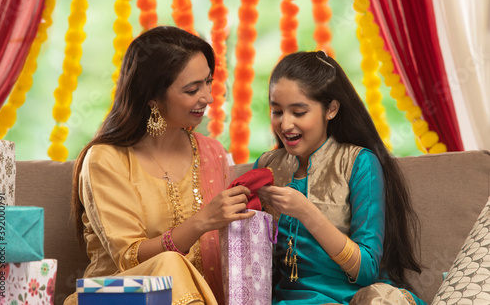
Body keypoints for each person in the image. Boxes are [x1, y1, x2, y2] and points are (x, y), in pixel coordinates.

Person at [64, 26, 255, 305]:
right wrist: (202, 222)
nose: (208, 97)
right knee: (169, 264)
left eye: (208, 82)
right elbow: (129, 258)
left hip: (199, 297)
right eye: (192, 89)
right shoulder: (106, 159)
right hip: (114, 297)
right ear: (153, 98)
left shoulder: (212, 153)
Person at [254, 50, 427, 305]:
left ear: (331, 109)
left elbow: (366, 270)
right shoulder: (267, 167)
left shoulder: (358, 163)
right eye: (277, 111)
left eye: (299, 112)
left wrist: (306, 212)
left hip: (357, 299)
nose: (285, 124)